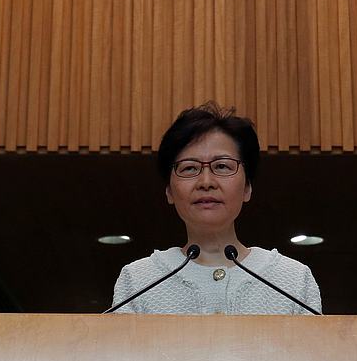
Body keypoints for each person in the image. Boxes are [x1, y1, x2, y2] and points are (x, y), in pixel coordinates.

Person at [111, 102, 322, 315]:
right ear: (169, 192)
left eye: (222, 166)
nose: (206, 182)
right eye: (189, 168)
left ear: (247, 188)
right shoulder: (138, 281)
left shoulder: (293, 280)